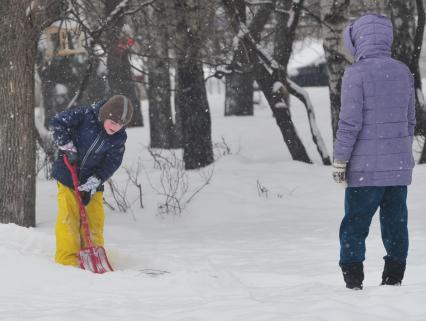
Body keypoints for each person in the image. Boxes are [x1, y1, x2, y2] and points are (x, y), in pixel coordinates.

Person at [333, 14, 415, 290]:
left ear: (358, 41)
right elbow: (410, 120)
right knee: (395, 225)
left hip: (364, 173)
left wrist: (340, 160)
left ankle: (353, 281)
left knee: (355, 225)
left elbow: (349, 123)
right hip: (397, 170)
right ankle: (394, 279)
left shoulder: (355, 74)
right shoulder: (403, 71)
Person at [51, 95, 134, 267]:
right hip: (68, 174)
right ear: (105, 114)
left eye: (121, 125)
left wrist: (96, 179)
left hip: (92, 182)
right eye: (113, 121)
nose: (116, 127)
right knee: (69, 216)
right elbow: (58, 122)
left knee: (95, 218)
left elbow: (113, 162)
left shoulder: (118, 138)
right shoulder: (85, 115)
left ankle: (92, 254)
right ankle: (67, 260)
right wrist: (67, 146)